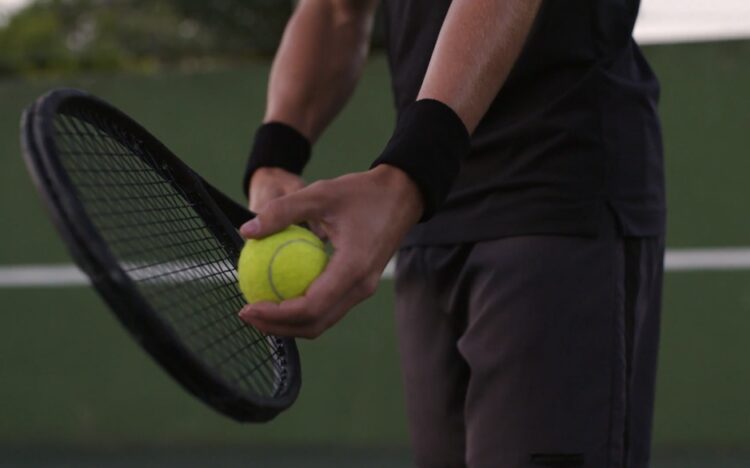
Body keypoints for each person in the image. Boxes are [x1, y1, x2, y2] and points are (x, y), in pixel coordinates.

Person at [237, 0, 666, 466]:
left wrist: (407, 176)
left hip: (551, 198)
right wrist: (276, 154)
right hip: (428, 217)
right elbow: (337, 10)